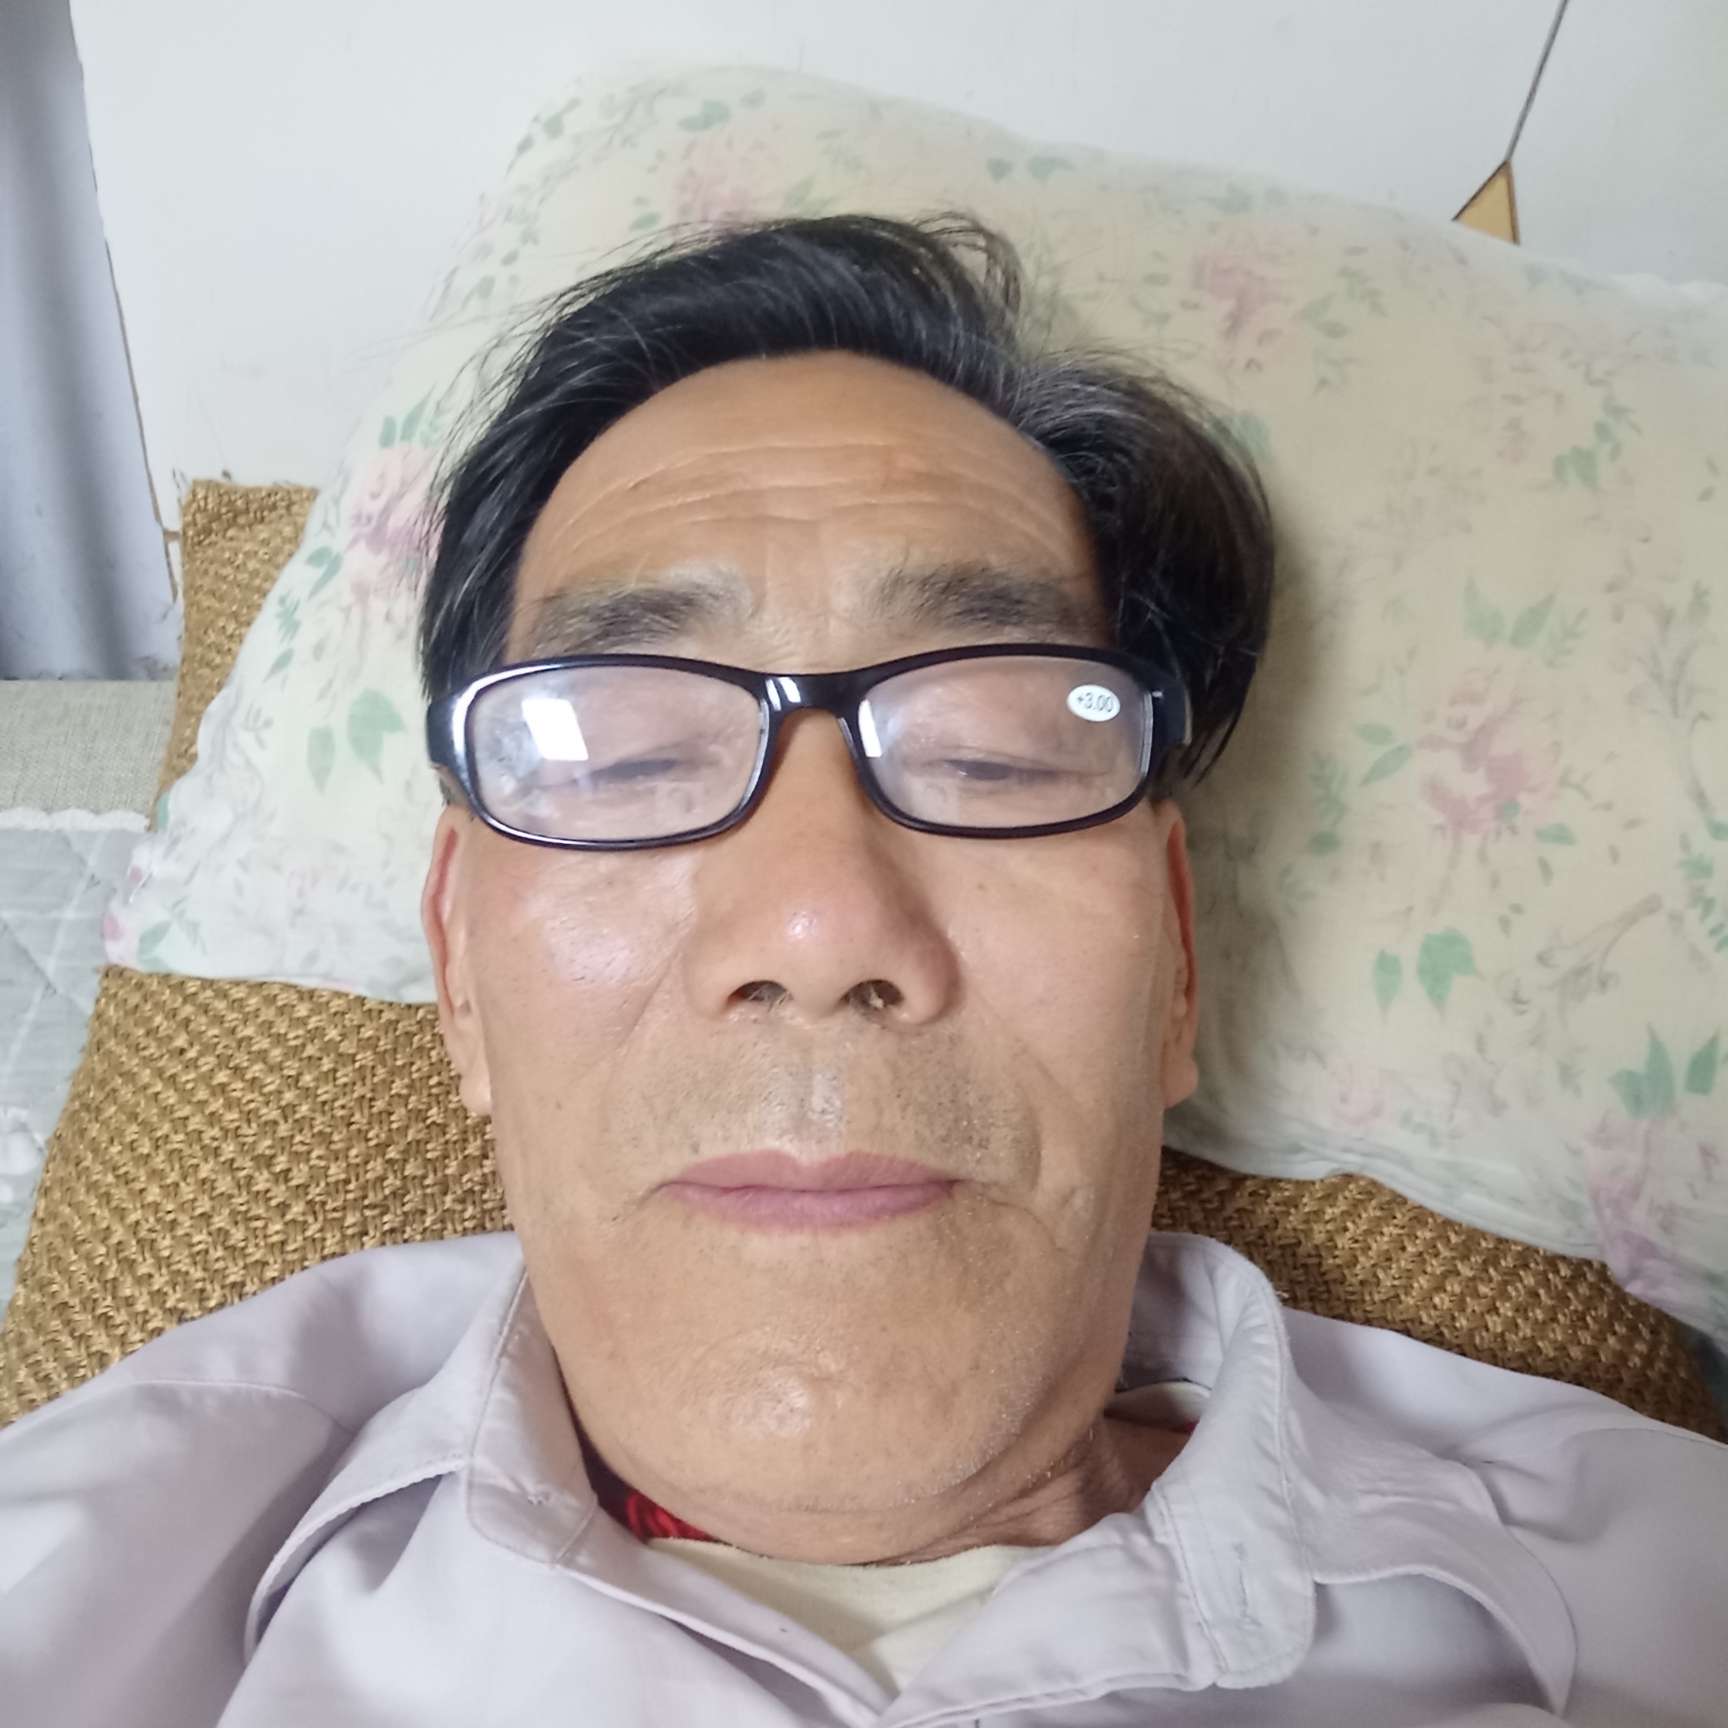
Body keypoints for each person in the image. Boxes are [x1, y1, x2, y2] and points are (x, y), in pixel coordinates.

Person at [2, 214, 1724, 1728]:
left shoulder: (1655, 1597)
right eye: (625, 751)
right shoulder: (99, 1566)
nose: (818, 927)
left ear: (1178, 967)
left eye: (992, 749)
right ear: (458, 963)